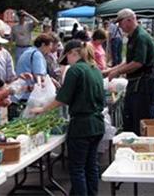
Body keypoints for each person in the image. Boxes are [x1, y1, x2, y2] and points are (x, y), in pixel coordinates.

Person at [31, 40, 105, 196]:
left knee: (77, 168)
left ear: (73, 53)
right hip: (97, 124)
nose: (67, 61)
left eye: (67, 57)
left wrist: (42, 109)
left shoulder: (75, 70)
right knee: (91, 166)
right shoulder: (95, 69)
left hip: (82, 125)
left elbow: (62, 99)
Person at [103, 8, 154, 135]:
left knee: (140, 119)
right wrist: (111, 70)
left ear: (129, 20)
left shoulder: (141, 37)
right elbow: (129, 61)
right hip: (136, 83)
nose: (120, 27)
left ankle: (142, 145)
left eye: (120, 23)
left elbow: (138, 62)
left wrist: (116, 72)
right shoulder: (133, 37)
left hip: (144, 84)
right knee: (130, 117)